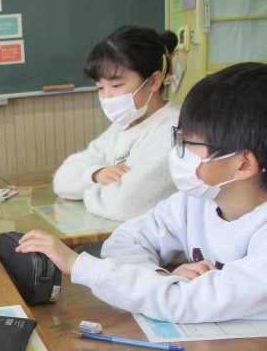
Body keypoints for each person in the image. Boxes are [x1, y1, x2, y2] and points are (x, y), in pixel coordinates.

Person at [17, 62, 267, 324]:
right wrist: (159, 279)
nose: (177, 152)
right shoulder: (195, 201)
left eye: (188, 143)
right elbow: (124, 242)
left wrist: (77, 265)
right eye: (178, 138)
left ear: (243, 165)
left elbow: (185, 302)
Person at [53, 26, 180, 221]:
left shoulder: (175, 132)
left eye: (116, 85)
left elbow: (124, 205)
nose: (106, 97)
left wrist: (85, 189)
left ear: (154, 81)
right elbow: (62, 180)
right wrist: (97, 174)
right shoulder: (122, 127)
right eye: (100, 88)